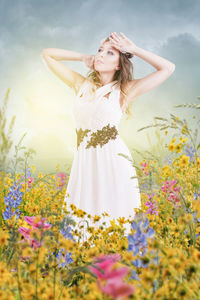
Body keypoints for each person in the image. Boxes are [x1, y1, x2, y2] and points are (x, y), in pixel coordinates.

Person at [41, 32, 175, 241]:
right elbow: (47, 54)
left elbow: (168, 68)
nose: (101, 55)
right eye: (99, 51)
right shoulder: (80, 84)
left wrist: (135, 49)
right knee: (81, 223)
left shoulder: (124, 90)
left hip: (113, 163)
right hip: (84, 163)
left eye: (109, 52)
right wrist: (82, 58)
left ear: (119, 65)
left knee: (114, 219)